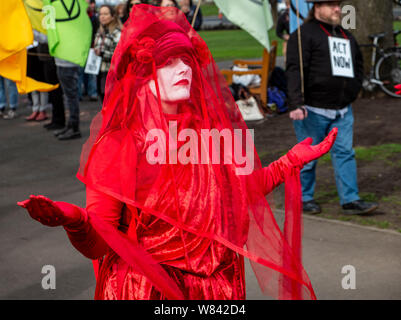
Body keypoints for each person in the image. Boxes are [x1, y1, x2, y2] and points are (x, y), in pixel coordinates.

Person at [18, 4, 338, 300]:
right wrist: (74, 220)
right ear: (143, 74)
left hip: (216, 288)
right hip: (151, 288)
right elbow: (101, 243)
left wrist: (288, 163)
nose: (183, 68)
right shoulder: (121, 143)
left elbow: (235, 195)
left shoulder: (206, 132)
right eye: (169, 62)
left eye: (186, 60)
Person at [286, 0, 378, 215]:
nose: (338, 9)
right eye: (332, 5)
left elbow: (358, 64)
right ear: (317, 7)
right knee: (307, 156)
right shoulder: (303, 34)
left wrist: (352, 92)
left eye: (339, 5)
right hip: (312, 109)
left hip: (342, 110)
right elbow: (294, 70)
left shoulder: (345, 34)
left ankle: (350, 200)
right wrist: (296, 103)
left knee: (345, 153)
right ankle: (304, 198)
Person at [94, 5, 122, 102]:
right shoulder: (100, 31)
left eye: (105, 14)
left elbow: (120, 54)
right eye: (100, 14)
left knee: (111, 102)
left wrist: (102, 53)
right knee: (103, 100)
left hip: (112, 73)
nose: (102, 16)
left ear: (113, 16)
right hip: (99, 71)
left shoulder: (117, 33)